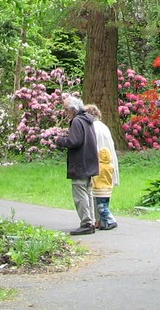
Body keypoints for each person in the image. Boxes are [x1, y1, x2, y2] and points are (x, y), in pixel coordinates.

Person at [54, 94, 99, 235]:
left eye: (66, 109)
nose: (65, 112)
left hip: (80, 163)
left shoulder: (77, 121)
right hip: (90, 162)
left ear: (73, 109)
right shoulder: (87, 120)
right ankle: (90, 221)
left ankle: (86, 223)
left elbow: (74, 141)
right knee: (88, 193)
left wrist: (59, 140)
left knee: (80, 194)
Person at [85, 103, 119, 230]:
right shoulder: (104, 127)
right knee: (103, 197)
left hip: (98, 163)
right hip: (108, 161)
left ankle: (101, 220)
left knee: (95, 194)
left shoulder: (92, 127)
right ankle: (102, 221)